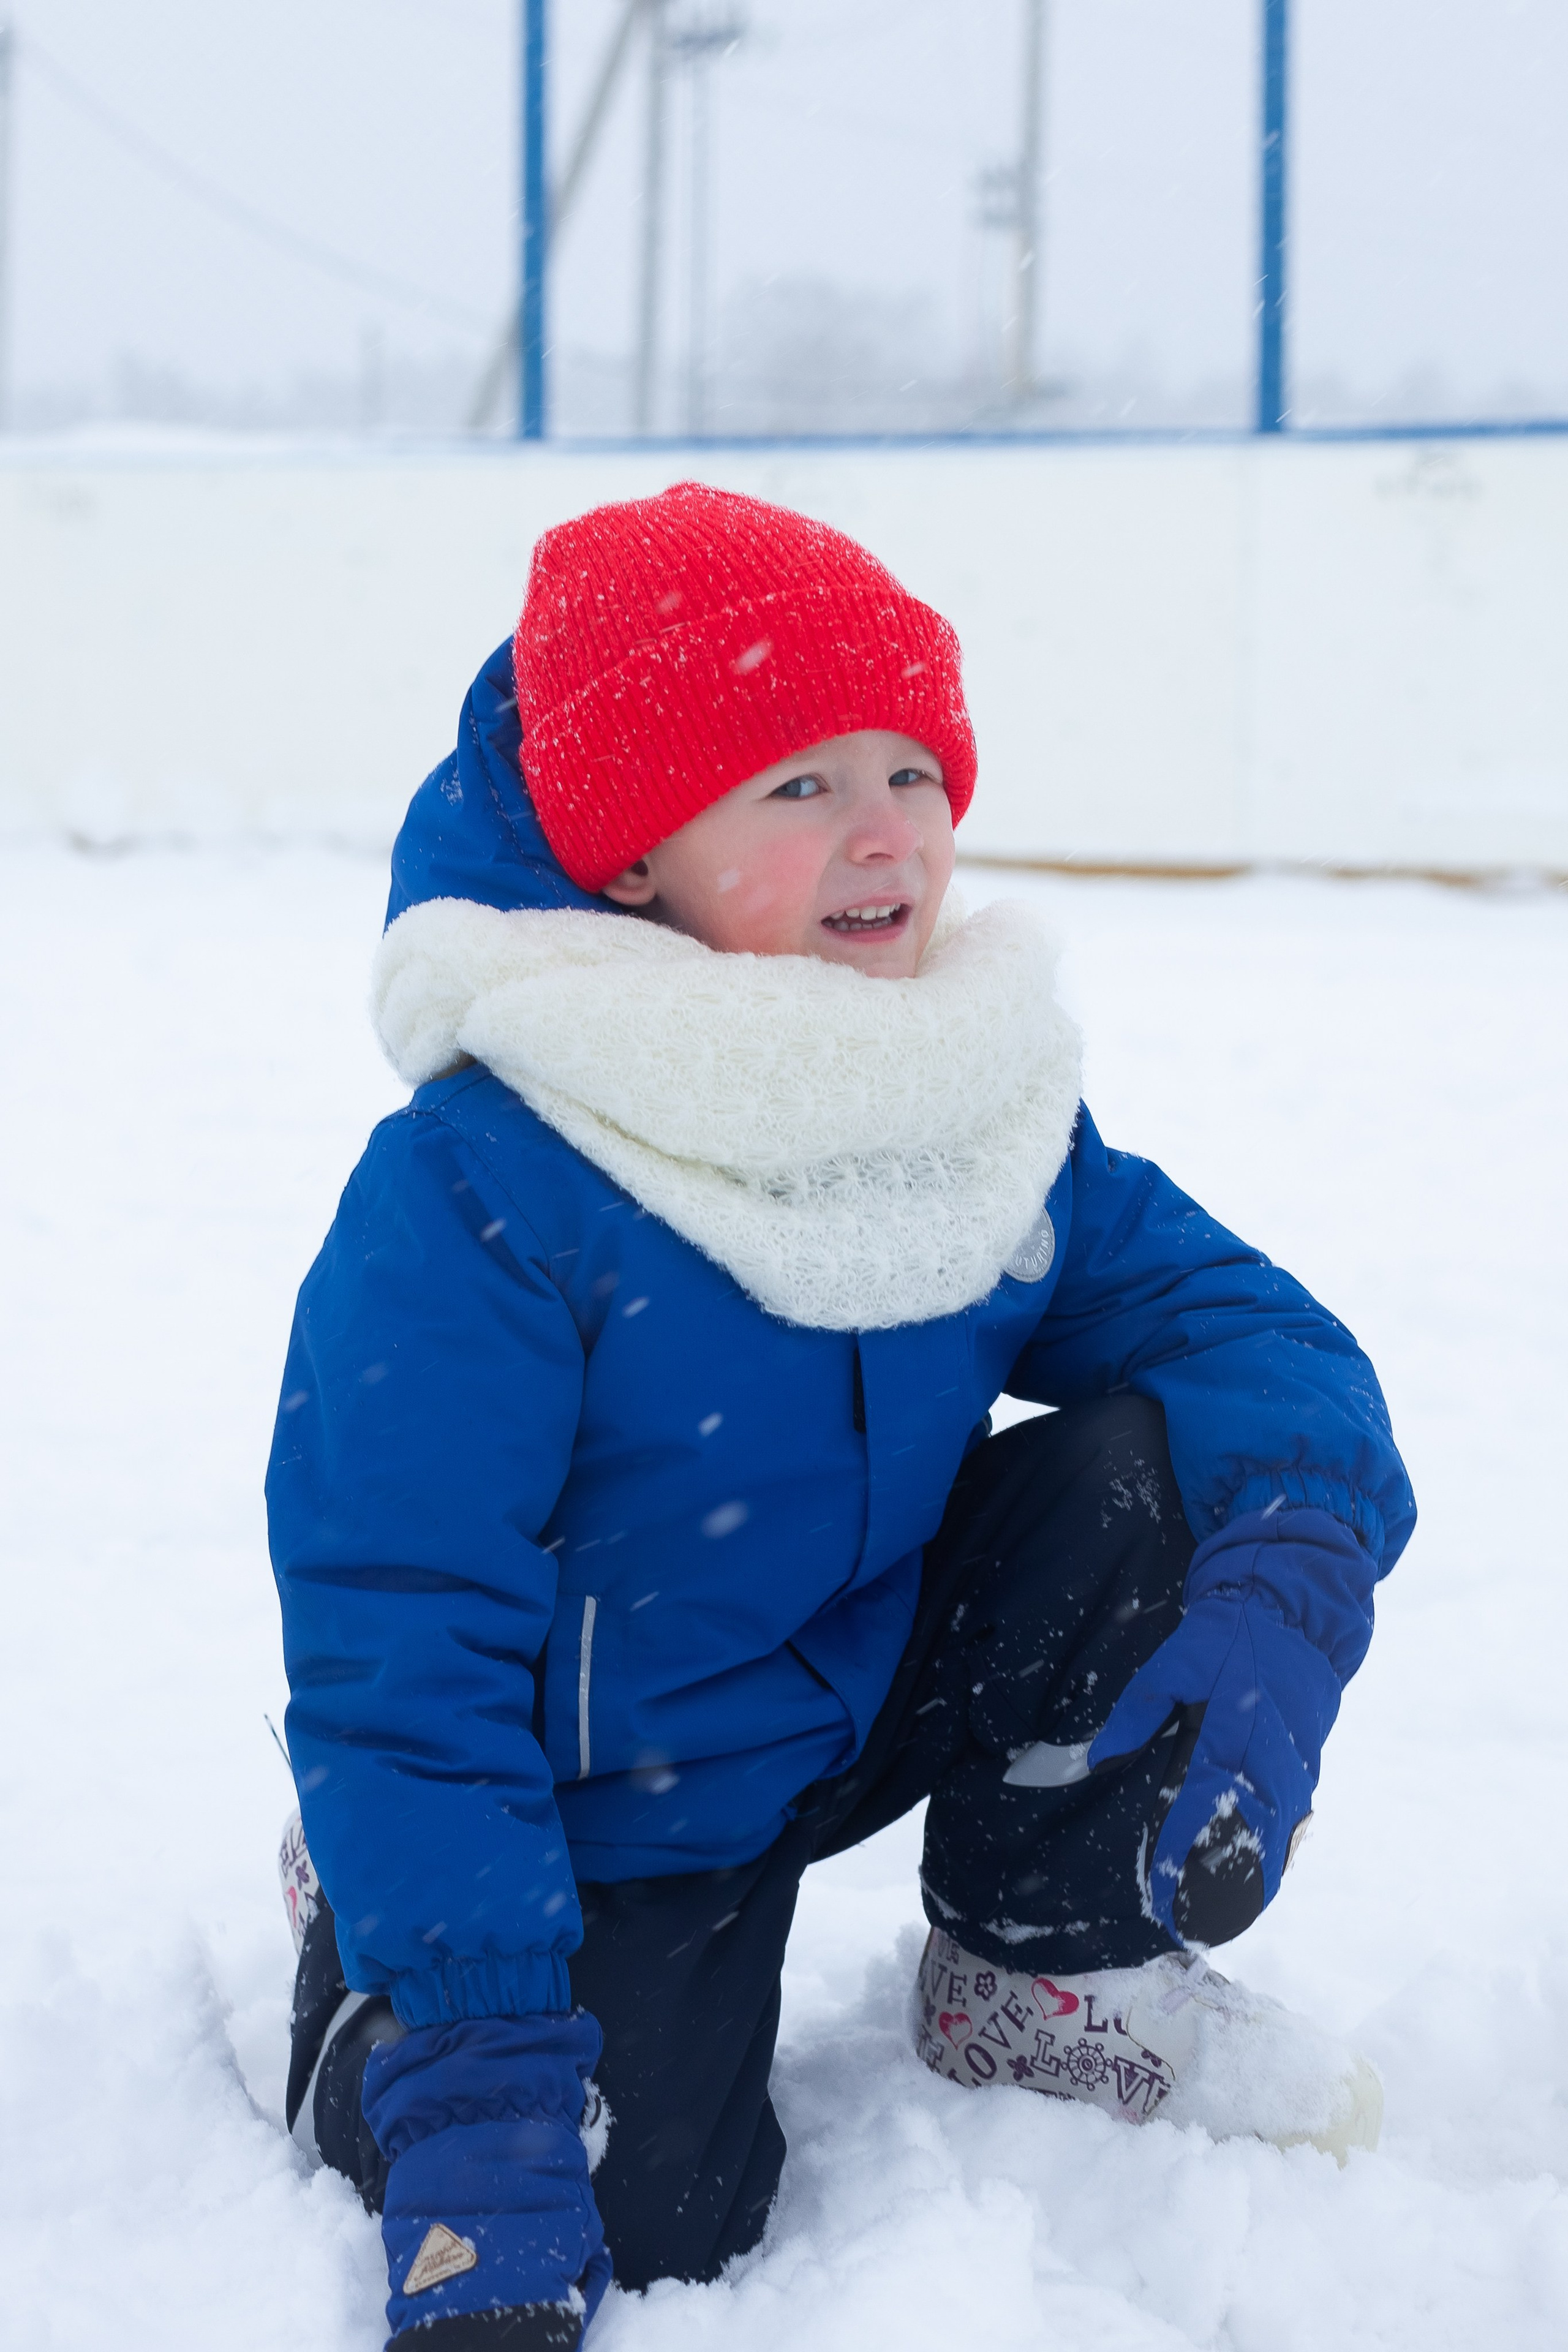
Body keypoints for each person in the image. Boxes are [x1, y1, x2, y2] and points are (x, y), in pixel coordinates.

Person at [266, 482, 1414, 2350]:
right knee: (654, 2218)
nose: (886, 832)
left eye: (913, 772)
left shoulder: (965, 1093)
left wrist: (1284, 1572)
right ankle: (369, 1970)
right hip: (601, 1779)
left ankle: (1039, 1968)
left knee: (1174, 1459)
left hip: (850, 1674)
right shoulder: (490, 1180)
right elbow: (403, 1621)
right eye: (797, 785)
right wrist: (471, 2073)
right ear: (635, 862)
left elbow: (1243, 1330)